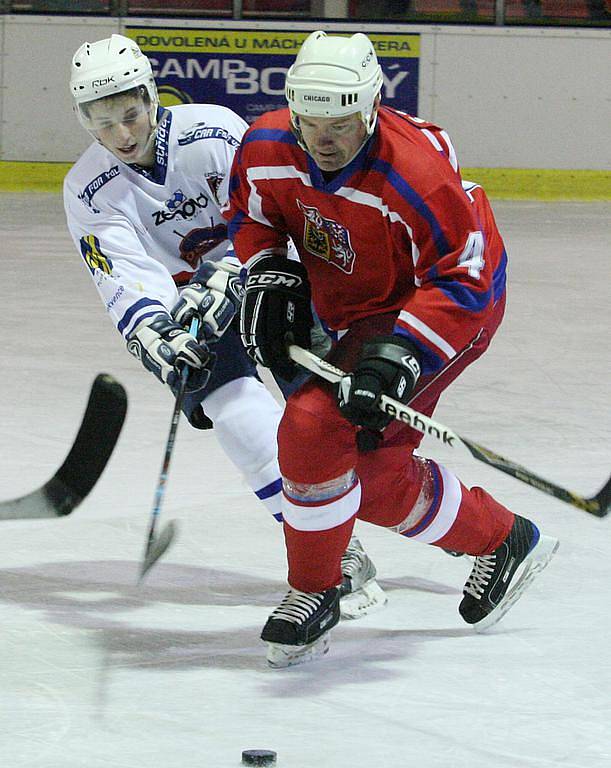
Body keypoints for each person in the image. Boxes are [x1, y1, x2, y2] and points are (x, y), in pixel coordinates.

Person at [224, 30, 559, 668]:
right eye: (311, 120)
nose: (323, 138)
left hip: (445, 304)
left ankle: (313, 592)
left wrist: (399, 355)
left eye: (342, 122)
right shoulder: (267, 145)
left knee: (314, 424)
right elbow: (251, 213)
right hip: (355, 307)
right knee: (371, 480)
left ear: (372, 108)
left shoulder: (415, 174)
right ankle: (504, 537)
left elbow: (463, 277)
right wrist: (266, 268)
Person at [63, 34, 385, 618]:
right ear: (85, 121)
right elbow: (125, 277)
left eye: (131, 115)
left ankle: (458, 524)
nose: (123, 136)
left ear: (149, 96)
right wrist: (157, 334)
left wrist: (240, 270)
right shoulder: (87, 188)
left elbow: (271, 208)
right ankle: (332, 552)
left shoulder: (212, 132)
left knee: (338, 420)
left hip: (276, 279)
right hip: (196, 311)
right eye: (103, 125)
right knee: (235, 411)